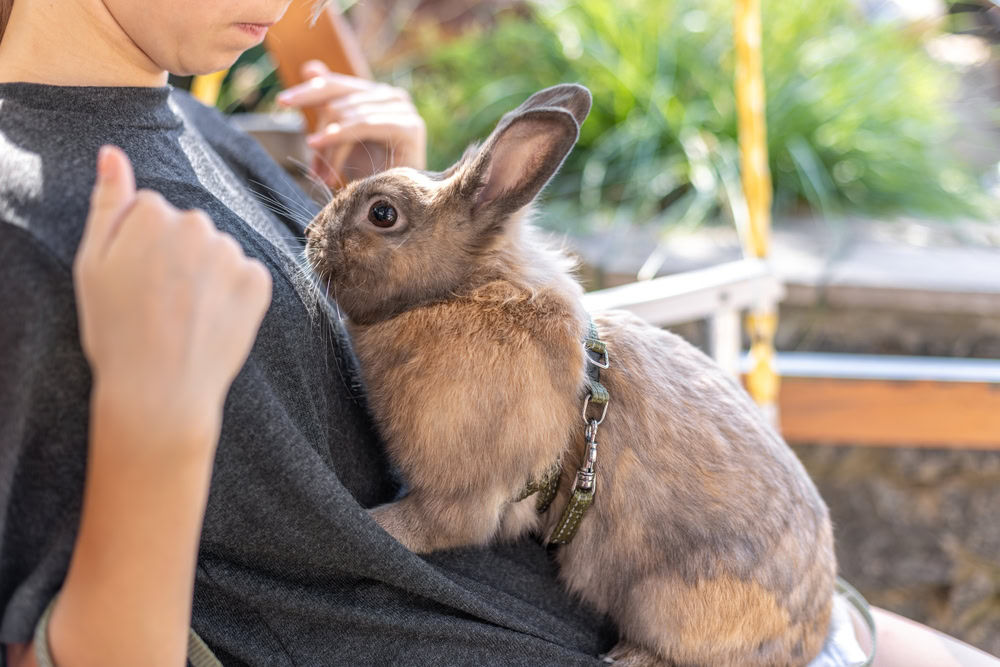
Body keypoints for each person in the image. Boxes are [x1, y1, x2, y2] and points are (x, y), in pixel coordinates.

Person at [0, 1, 996, 665]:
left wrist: (421, 236)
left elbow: (322, 413)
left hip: (631, 598)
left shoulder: (182, 112)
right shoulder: (32, 225)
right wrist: (152, 415)